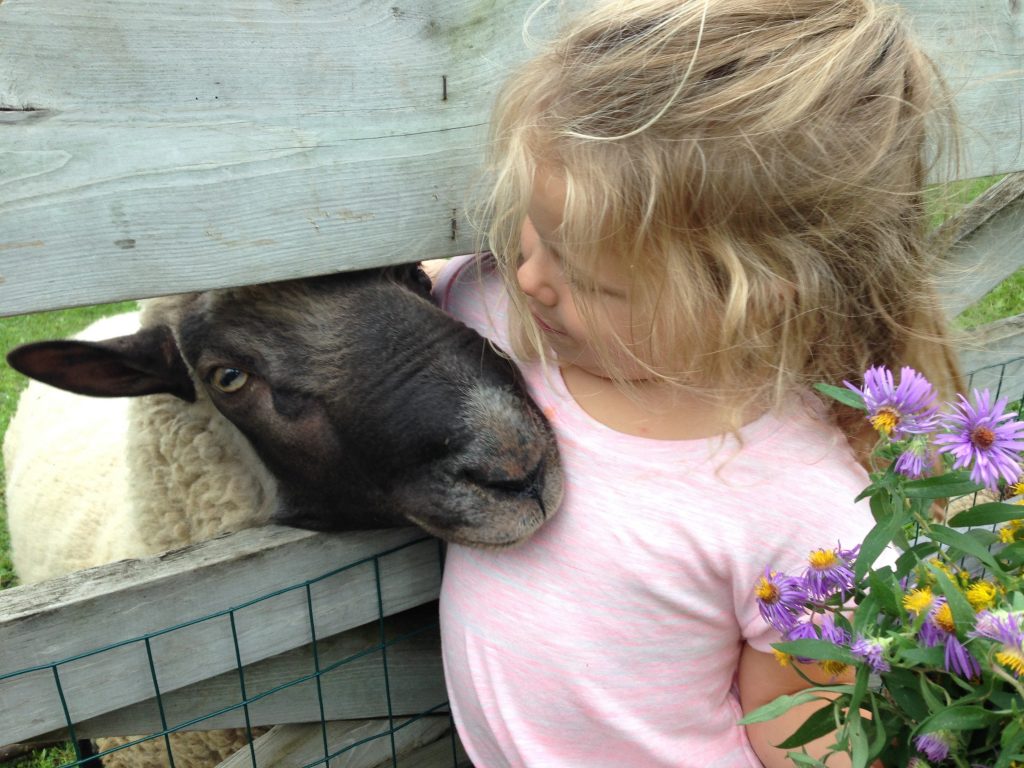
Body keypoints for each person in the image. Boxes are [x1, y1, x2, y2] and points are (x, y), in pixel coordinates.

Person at [430, 0, 962, 765]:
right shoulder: (494, 323)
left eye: (588, 279)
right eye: (534, 233)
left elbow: (805, 736)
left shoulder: (803, 508)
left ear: (756, 292)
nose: (530, 278)